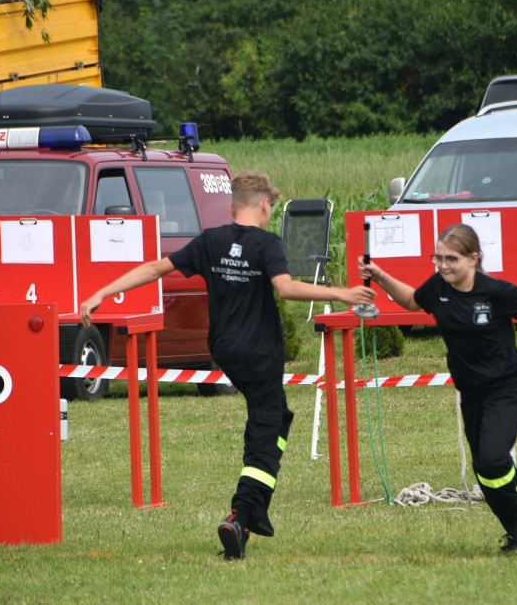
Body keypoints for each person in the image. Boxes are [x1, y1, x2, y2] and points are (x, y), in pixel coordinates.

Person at [80, 170, 376, 560]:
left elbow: (155, 268)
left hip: (225, 350)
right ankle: (242, 515)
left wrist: (102, 292)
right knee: (266, 430)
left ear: (232, 205)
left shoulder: (210, 240)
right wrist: (342, 292)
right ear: (266, 206)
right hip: (259, 352)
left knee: (274, 418)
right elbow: (285, 288)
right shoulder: (267, 244)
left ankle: (252, 518)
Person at [358, 223, 517, 559]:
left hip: (507, 385)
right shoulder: (438, 287)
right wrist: (379, 275)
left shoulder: (495, 291)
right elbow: (410, 301)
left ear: (473, 257)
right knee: (484, 469)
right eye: (438, 258)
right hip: (471, 392)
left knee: (494, 459)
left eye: (451, 259)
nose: (443, 265)